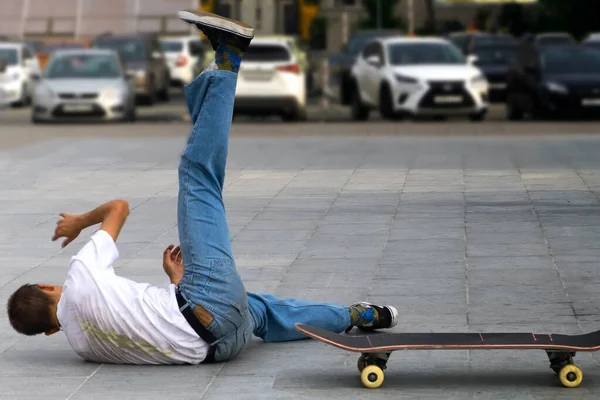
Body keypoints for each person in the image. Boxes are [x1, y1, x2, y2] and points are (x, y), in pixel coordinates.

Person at [6, 10, 399, 365]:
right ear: (46, 286)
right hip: (207, 304)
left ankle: (357, 316)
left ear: (52, 331)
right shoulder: (79, 277)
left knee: (260, 309)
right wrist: (79, 222)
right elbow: (119, 207)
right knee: (197, 177)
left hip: (220, 346)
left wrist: (176, 283)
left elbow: (151, 333)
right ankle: (229, 59)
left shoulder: (82, 347)